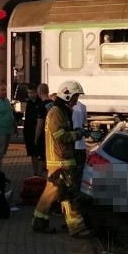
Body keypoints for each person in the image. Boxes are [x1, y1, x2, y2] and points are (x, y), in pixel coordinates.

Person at [32, 80, 86, 237]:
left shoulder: (61, 111)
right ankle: (77, 228)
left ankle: (39, 221)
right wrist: (79, 134)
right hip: (61, 161)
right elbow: (60, 136)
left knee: (51, 194)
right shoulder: (57, 112)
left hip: (60, 160)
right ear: (67, 95)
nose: (76, 101)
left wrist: (77, 131)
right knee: (70, 194)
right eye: (75, 97)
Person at [22, 84, 46, 177]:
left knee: (39, 154)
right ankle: (35, 173)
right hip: (29, 132)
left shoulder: (40, 103)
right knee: (32, 153)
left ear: (37, 92)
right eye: (29, 93)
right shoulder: (29, 103)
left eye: (32, 92)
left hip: (38, 131)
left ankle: (40, 174)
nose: (30, 94)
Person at [72, 91, 88, 167]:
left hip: (71, 144)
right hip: (81, 144)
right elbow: (85, 122)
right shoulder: (83, 106)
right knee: (81, 170)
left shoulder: (67, 108)